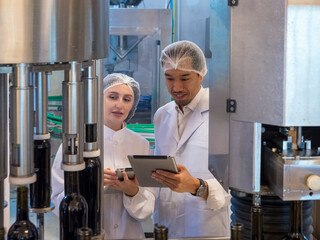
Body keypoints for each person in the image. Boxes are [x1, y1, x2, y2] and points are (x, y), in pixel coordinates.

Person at [51, 73, 155, 239]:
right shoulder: (75, 143)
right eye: (112, 97)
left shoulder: (141, 144)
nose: (119, 105)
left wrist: (132, 191)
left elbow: (147, 209)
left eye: (127, 99)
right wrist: (87, 185)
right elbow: (57, 201)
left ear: (132, 105)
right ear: (98, 99)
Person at [150, 40, 231, 238]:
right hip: (166, 225)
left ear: (201, 73)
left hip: (208, 227)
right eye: (169, 78)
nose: (176, 87)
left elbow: (239, 182)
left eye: (184, 78)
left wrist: (197, 186)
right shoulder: (162, 115)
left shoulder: (223, 114)